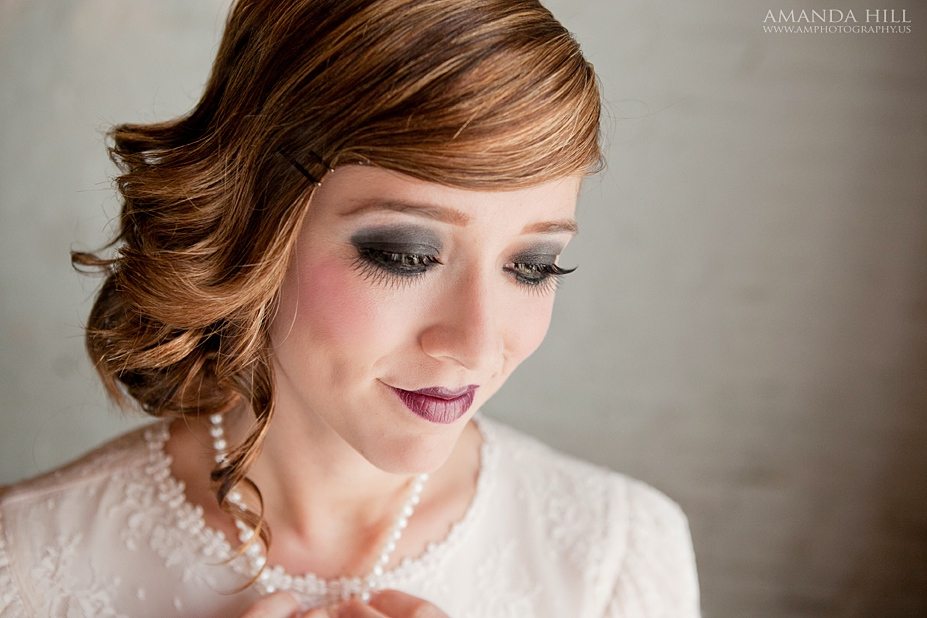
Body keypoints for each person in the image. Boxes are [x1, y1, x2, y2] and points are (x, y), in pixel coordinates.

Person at [0, 0, 700, 616]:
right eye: (404, 255)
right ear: (254, 225)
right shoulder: (27, 564)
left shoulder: (617, 555)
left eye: (533, 265)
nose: (478, 343)